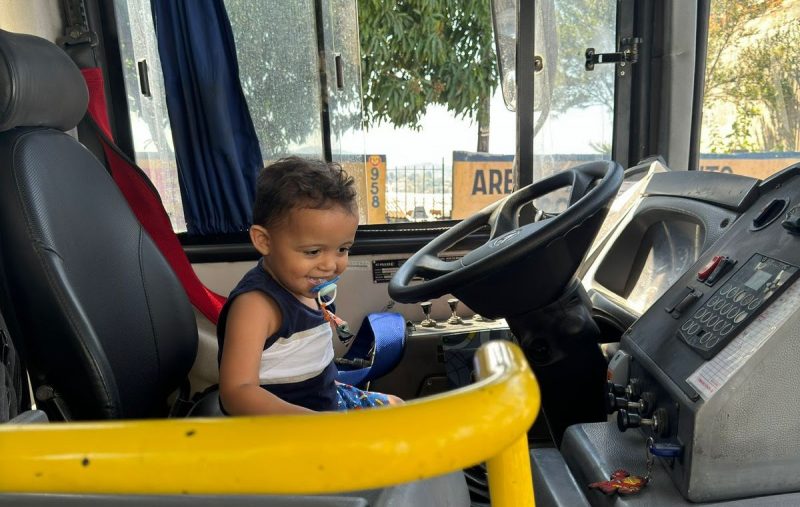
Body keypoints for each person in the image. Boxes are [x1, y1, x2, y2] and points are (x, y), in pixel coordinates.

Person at [217, 156, 401, 415]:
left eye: (342, 249)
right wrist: (310, 423)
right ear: (264, 240)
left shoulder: (312, 288)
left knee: (397, 408)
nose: (330, 265)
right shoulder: (257, 306)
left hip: (327, 397)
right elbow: (237, 392)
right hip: (289, 425)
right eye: (313, 251)